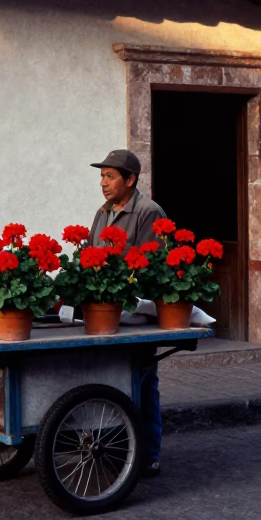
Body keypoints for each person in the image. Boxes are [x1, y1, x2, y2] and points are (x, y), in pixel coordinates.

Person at [88, 149, 166, 478]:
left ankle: (148, 454)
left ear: (130, 180)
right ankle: (119, 446)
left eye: (110, 176)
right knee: (109, 379)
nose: (103, 183)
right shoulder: (102, 212)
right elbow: (92, 255)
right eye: (102, 176)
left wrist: (119, 278)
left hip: (135, 312)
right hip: (104, 311)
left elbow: (150, 267)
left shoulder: (148, 212)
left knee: (143, 380)